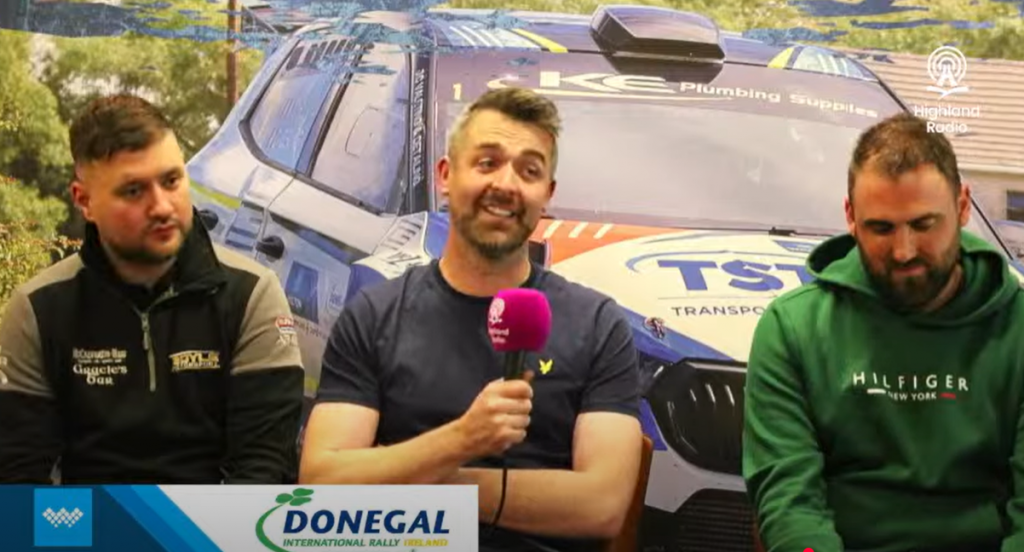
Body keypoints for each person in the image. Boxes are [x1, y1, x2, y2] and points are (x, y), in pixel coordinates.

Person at [299, 87, 643, 551]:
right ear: (446, 175)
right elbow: (323, 484)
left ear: (547, 195)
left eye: (529, 171)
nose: (506, 184)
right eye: (487, 162)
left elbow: (601, 507)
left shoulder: (598, 325)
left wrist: (423, 479)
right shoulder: (375, 315)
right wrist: (462, 438)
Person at [743, 112, 1024, 552]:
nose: (904, 251)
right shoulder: (793, 327)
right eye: (881, 228)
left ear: (963, 207)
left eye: (923, 224)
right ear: (851, 217)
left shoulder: (1017, 327)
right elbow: (789, 504)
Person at [0, 94, 305, 484]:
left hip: (217, 521)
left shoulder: (252, 295)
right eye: (133, 190)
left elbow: (264, 472)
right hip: (86, 519)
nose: (161, 206)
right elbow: (20, 482)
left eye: (171, 181)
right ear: (84, 201)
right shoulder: (37, 310)